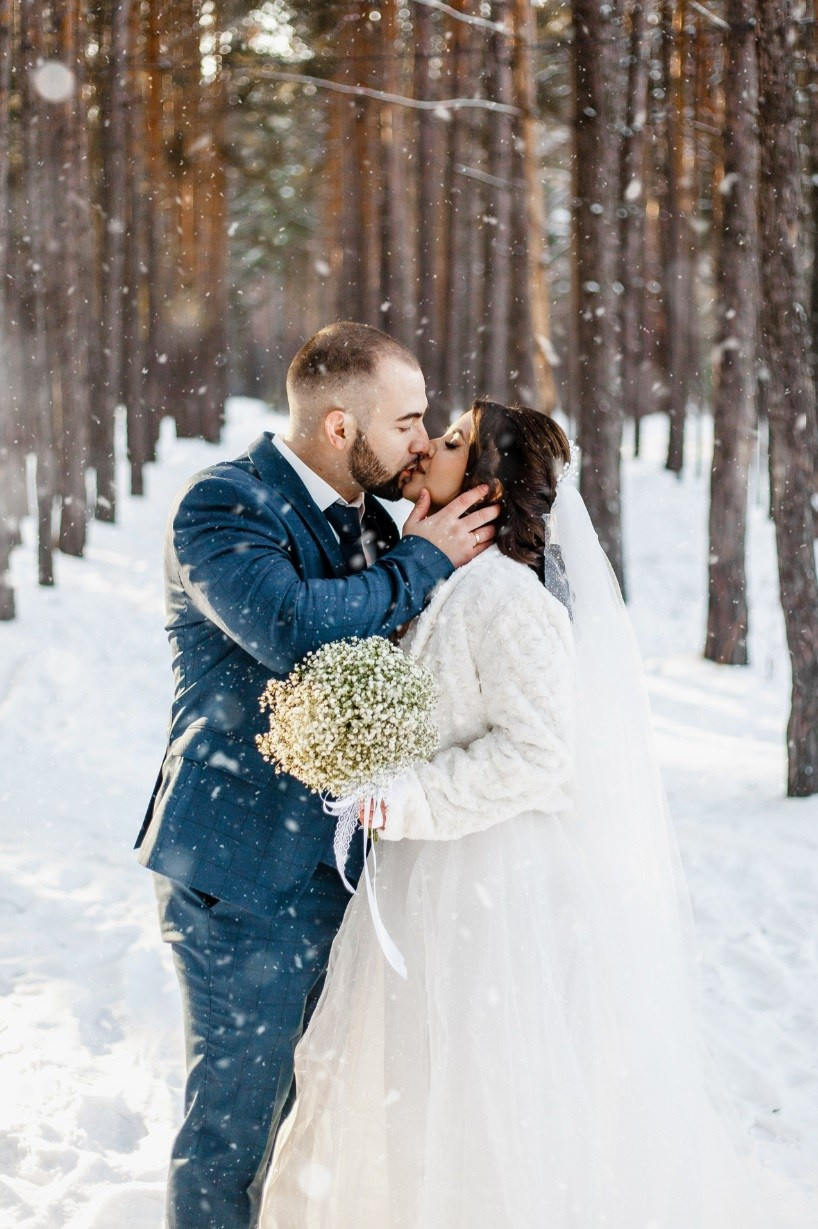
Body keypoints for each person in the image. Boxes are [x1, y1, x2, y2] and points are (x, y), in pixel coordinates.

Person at [260, 399, 817, 1228]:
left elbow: (540, 754)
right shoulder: (447, 577)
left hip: (490, 889)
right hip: (425, 881)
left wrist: (410, 794)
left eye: (452, 441)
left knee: (487, 1092)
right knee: (413, 1085)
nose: (427, 447)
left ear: (488, 481)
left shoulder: (506, 597)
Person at [135, 321, 500, 1229]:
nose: (421, 440)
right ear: (340, 427)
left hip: (348, 872)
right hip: (241, 877)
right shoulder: (224, 507)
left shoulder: (379, 525)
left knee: (311, 1127)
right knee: (232, 1132)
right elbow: (294, 625)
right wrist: (424, 560)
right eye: (407, 420)